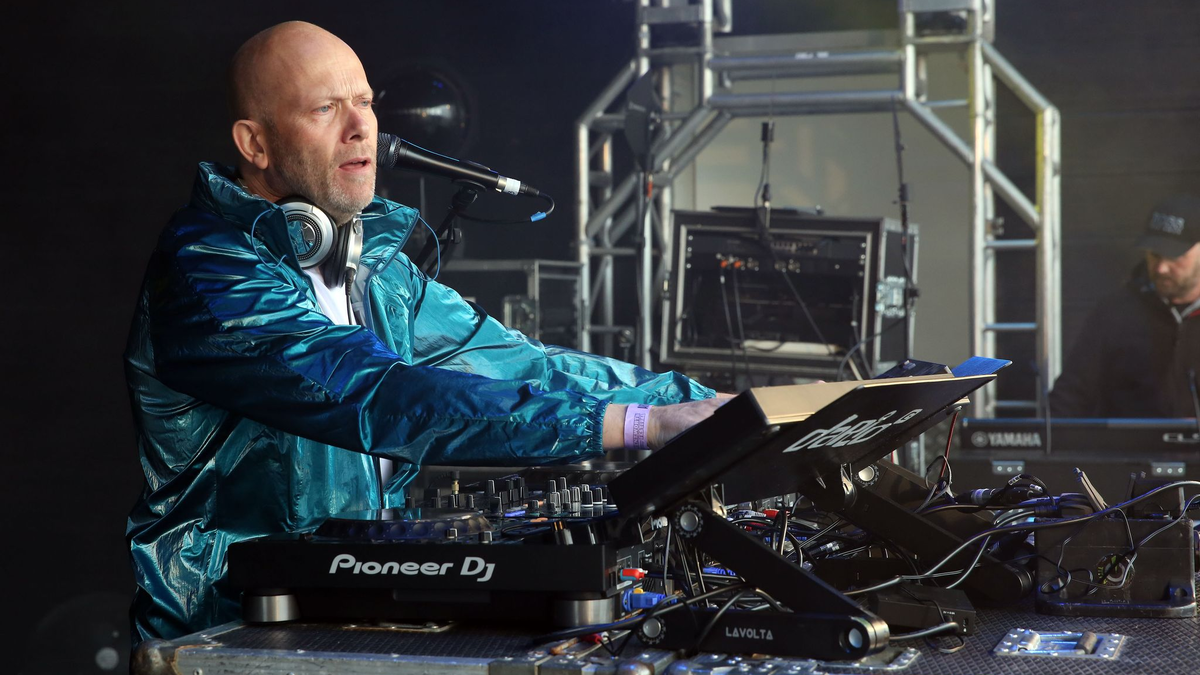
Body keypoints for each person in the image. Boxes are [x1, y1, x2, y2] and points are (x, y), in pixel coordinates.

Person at [124, 21, 723, 645]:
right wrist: (637, 425)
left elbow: (520, 364)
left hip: (351, 617)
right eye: (325, 109)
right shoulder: (208, 271)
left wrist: (702, 406)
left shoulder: (377, 270)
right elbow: (376, 393)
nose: (360, 128)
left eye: (364, 102)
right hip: (221, 634)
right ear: (255, 143)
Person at [1049, 194, 1200, 417]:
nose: (1161, 268)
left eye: (1174, 256)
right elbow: (1070, 397)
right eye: (1154, 255)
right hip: (1130, 440)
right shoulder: (1116, 313)